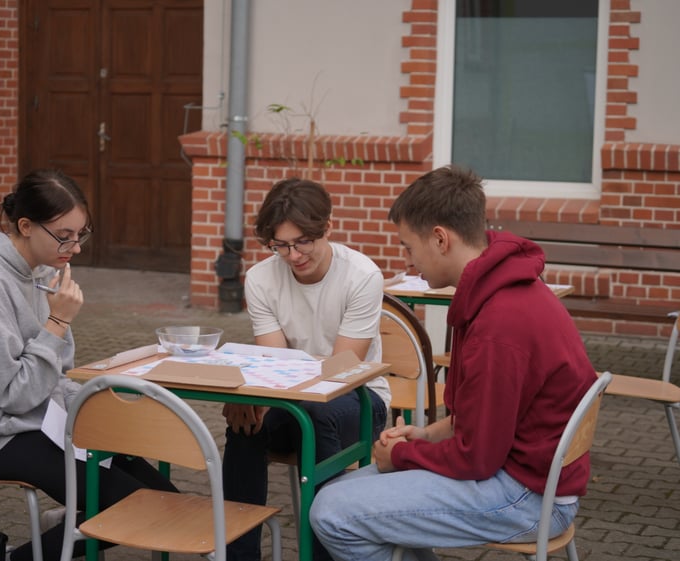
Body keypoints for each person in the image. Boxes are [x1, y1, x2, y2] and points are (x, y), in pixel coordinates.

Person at [309, 165, 597, 561]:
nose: (408, 261)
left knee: (332, 512)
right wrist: (424, 437)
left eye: (408, 247)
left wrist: (403, 457)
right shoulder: (498, 289)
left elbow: (477, 457)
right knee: (340, 494)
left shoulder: (499, 323)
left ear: (441, 239)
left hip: (528, 497)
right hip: (527, 474)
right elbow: (475, 424)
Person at [0, 169, 177, 561]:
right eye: (64, 235)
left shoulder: (40, 272)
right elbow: (13, 394)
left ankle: (67, 523)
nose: (75, 247)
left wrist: (97, 407)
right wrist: (57, 322)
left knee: (166, 502)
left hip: (40, 419)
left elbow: (58, 371)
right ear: (25, 226)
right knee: (133, 508)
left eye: (81, 234)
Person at [222, 177, 391, 561]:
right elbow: (273, 361)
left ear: (327, 227)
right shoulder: (262, 278)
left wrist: (275, 391)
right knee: (243, 421)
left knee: (316, 414)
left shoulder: (362, 275)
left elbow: (342, 369)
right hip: (294, 397)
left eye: (302, 242)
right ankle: (238, 552)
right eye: (280, 245)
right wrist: (252, 399)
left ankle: (323, 551)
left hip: (361, 400)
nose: (293, 255)